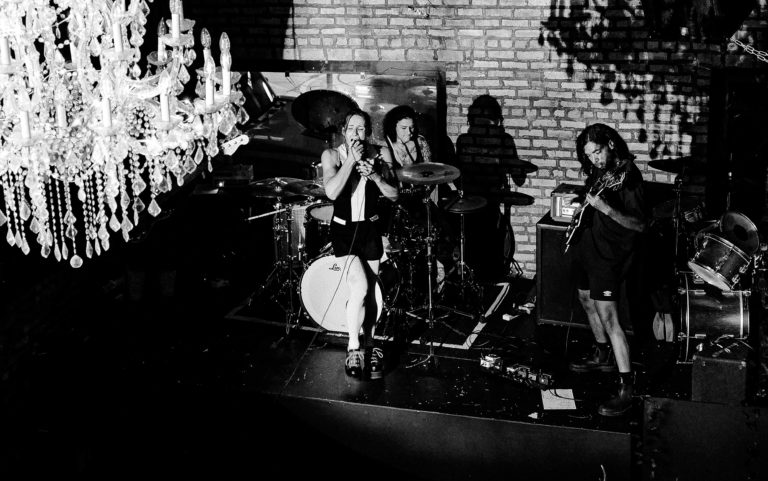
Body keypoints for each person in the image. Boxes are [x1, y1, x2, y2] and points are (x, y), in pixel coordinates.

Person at [566, 123, 647, 417]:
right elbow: (596, 200)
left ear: (611, 144)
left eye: (597, 152)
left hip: (610, 256)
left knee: (609, 318)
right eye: (589, 156)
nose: (595, 159)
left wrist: (606, 209)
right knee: (585, 299)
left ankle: (627, 387)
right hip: (590, 247)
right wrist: (582, 208)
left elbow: (640, 224)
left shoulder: (629, 177)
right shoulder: (602, 171)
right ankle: (601, 354)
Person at [321, 109, 399, 379]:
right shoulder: (332, 155)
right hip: (344, 230)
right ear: (344, 131)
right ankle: (353, 347)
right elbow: (331, 192)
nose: (356, 134)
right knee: (359, 286)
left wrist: (376, 176)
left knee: (372, 291)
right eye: (352, 129)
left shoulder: (380, 153)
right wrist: (351, 162)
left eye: (362, 129)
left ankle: (370, 344)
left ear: (368, 132)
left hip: (370, 229)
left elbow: (395, 194)